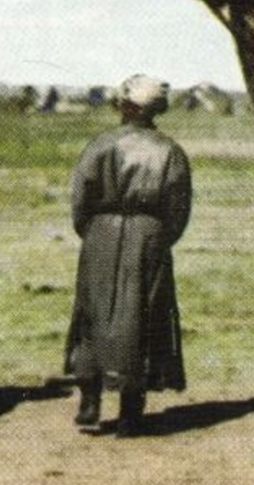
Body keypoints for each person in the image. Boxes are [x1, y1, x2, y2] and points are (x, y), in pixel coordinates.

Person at [65, 74, 192, 436]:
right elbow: (178, 210)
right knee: (143, 316)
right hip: (149, 237)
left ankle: (89, 405)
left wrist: (93, 233)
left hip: (100, 234)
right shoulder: (170, 151)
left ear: (127, 105)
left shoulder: (100, 145)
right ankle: (130, 413)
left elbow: (80, 200)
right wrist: (157, 239)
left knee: (93, 315)